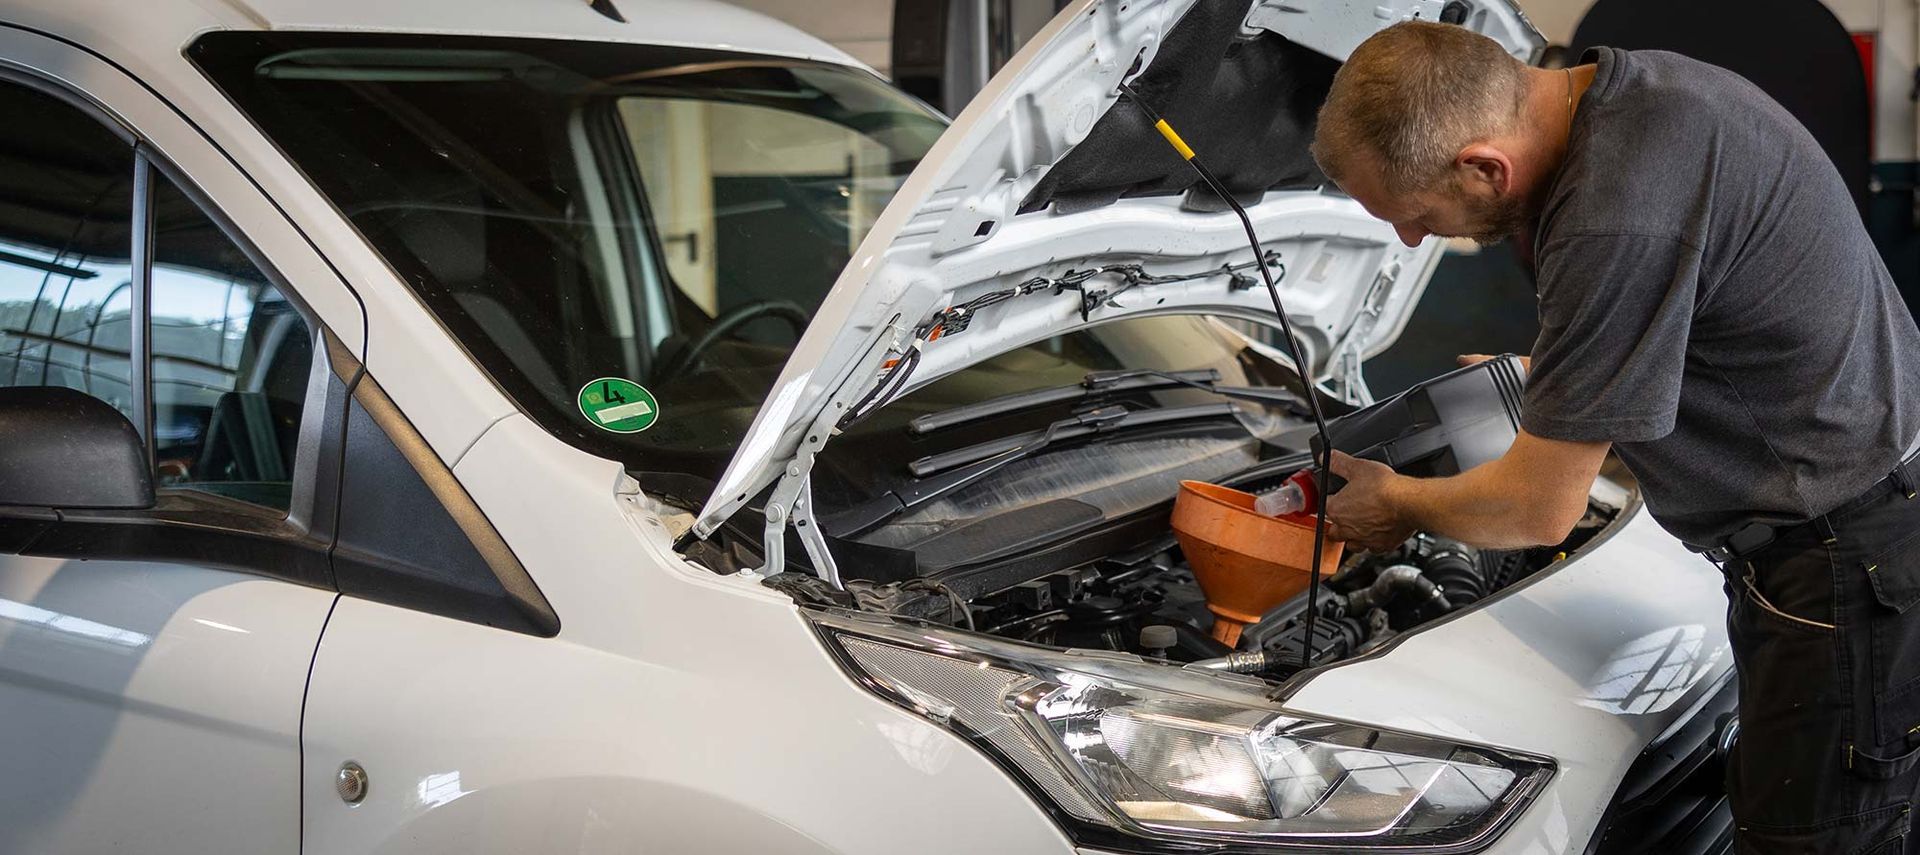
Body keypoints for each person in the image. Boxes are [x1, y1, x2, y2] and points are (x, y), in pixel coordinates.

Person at [1310, 21, 1920, 852]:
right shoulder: (1651, 91)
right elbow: (1713, 312)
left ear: (1485, 167)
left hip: (1846, 569)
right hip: (1861, 527)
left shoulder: (1610, 214)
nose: (1411, 240)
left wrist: (1398, 505)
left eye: (1416, 216)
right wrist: (1564, 374)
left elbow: (1538, 510)